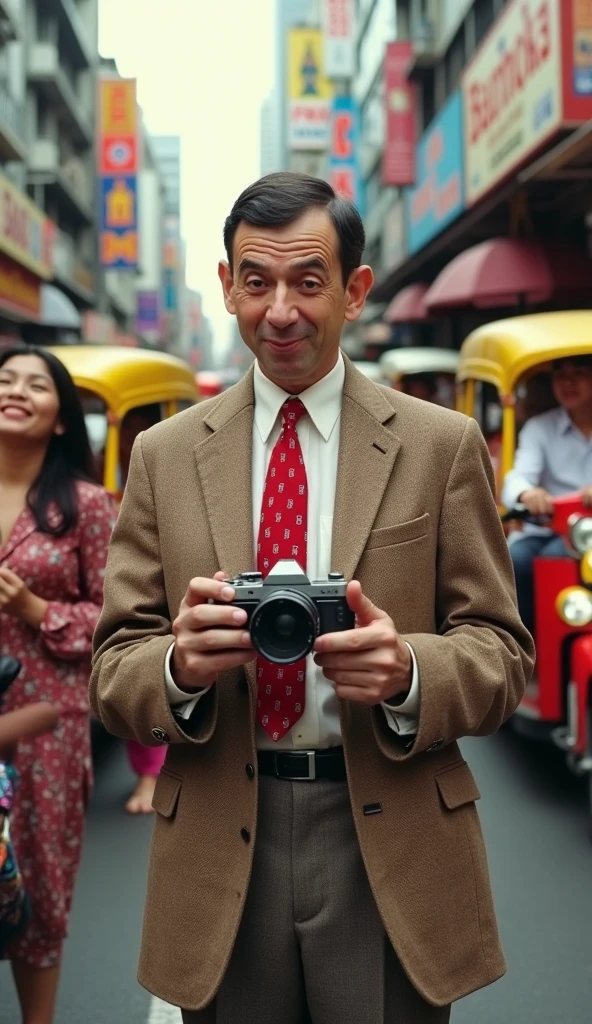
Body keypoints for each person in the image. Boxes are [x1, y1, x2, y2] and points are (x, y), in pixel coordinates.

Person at [90, 173, 533, 1023]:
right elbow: (113, 668)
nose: (280, 310)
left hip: (387, 833)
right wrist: (179, 667)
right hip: (224, 832)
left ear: (355, 291)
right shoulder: (165, 455)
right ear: (225, 286)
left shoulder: (442, 446)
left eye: (307, 280)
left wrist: (408, 668)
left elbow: (502, 653)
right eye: (255, 281)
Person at [0, 345, 115, 1024]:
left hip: (45, 723)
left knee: (36, 895)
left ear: (62, 417)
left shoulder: (89, 506)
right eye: (4, 380)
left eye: (34, 385)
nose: (14, 391)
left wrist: (38, 611)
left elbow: (117, 619)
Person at [502, 355, 592, 635]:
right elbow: (518, 477)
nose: (568, 382)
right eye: (560, 375)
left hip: (583, 534)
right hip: (546, 530)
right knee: (514, 560)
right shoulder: (540, 427)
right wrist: (529, 493)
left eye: (579, 372)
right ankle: (529, 648)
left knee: (558, 556)